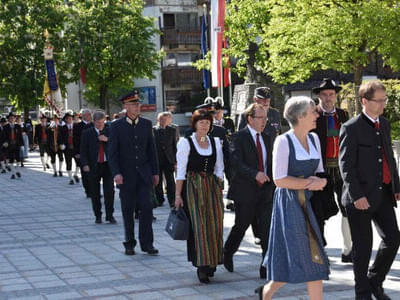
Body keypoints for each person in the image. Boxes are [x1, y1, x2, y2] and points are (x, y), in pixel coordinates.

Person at [259, 96, 329, 300]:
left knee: (314, 258)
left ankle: (266, 293)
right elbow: (279, 179)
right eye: (313, 111)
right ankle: (266, 292)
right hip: (290, 204)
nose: (317, 114)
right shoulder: (283, 141)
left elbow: (320, 173)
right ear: (300, 116)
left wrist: (321, 183)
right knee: (302, 255)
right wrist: (310, 183)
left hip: (311, 203)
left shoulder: (314, 138)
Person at [339, 80, 400, 300]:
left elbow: (388, 158)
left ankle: (375, 280)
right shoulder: (350, 127)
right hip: (360, 198)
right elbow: (345, 166)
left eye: (385, 99)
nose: (383, 104)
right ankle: (362, 294)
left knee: (393, 239)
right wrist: (358, 196)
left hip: (383, 194)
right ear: (365, 101)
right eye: (379, 100)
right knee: (363, 248)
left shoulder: (383, 124)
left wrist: (396, 186)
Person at [223, 103, 274, 279]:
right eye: (260, 118)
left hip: (266, 192)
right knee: (241, 225)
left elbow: (271, 163)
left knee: (267, 230)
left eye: (266, 117)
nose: (264, 121)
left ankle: (265, 265)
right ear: (250, 119)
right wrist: (255, 174)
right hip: (245, 191)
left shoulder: (268, 137)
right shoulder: (238, 137)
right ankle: (227, 252)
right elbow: (236, 163)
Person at [175, 109, 224, 284]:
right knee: (199, 226)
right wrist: (178, 195)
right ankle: (201, 267)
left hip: (211, 187)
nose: (205, 125)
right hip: (193, 188)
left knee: (215, 224)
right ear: (195, 124)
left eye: (207, 122)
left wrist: (219, 186)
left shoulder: (215, 141)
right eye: (201, 122)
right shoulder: (186, 142)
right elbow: (180, 171)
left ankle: (212, 263)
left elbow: (219, 167)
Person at [108, 90, 159, 256]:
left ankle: (147, 244)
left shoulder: (146, 124)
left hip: (144, 175)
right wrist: (116, 173)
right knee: (127, 210)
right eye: (133, 104)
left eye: (138, 104)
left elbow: (152, 150)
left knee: (146, 208)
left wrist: (155, 172)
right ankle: (129, 243)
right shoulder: (116, 126)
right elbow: (112, 153)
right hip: (126, 176)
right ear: (125, 106)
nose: (138, 107)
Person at [311, 78, 352, 262]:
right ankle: (320, 248)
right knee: (321, 210)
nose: (328, 98)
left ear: (336, 96)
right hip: (321, 170)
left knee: (348, 208)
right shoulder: (314, 116)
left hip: (342, 169)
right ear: (319, 96)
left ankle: (348, 250)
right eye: (325, 94)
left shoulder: (343, 115)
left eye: (331, 94)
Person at [80, 110, 116, 224]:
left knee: (109, 191)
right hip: (93, 166)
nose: (100, 125)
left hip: (107, 166)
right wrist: (85, 164)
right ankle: (98, 215)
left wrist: (108, 140)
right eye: (98, 123)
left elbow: (117, 146)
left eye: (102, 122)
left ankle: (109, 215)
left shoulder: (110, 131)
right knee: (95, 193)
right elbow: (83, 150)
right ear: (93, 122)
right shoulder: (87, 133)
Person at [153, 112, 177, 208]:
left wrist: (175, 160)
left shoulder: (172, 130)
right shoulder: (153, 130)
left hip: (168, 159)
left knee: (170, 180)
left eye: (166, 119)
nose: (164, 121)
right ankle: (159, 199)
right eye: (162, 119)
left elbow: (174, 146)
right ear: (158, 120)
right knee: (157, 181)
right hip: (157, 159)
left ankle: (172, 199)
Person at [74, 109, 93, 196]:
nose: (90, 116)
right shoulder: (77, 126)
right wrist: (77, 152)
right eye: (88, 114)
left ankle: (94, 190)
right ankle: (88, 190)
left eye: (90, 114)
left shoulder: (94, 125)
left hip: (93, 153)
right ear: (83, 116)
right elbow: (76, 141)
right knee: (85, 172)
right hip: (82, 152)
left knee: (94, 172)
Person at [3, 112, 24, 179]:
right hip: (9, 145)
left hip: (17, 145)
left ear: (15, 119)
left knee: (18, 159)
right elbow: (3, 137)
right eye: (10, 118)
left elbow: (20, 136)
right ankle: (13, 173)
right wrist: (5, 142)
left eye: (13, 118)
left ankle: (17, 170)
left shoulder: (18, 126)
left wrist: (22, 144)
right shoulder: (5, 127)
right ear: (8, 119)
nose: (12, 119)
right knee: (11, 159)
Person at [61, 112, 79, 185]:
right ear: (66, 120)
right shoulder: (63, 128)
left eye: (71, 118)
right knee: (68, 163)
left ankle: (75, 174)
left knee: (78, 162)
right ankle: (71, 178)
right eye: (68, 118)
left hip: (75, 148)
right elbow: (60, 137)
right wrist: (62, 144)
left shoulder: (76, 126)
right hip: (67, 148)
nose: (70, 119)